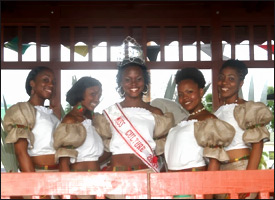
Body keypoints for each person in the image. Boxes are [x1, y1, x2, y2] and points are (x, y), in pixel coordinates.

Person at [93, 36, 174, 176]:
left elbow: (164, 150)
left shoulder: (156, 113)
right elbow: (106, 149)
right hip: (117, 174)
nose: (133, 84)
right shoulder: (110, 113)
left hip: (147, 172)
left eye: (138, 79)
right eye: (127, 79)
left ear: (145, 81)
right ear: (120, 82)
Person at [164, 67, 235, 199]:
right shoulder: (183, 122)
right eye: (180, 94)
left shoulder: (209, 120)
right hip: (175, 186)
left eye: (189, 92)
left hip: (193, 185)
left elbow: (214, 161)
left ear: (201, 92)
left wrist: (207, 195)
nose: (185, 98)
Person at [214, 59, 273, 199]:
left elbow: (258, 145)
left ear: (240, 83)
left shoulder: (248, 109)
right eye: (221, 77)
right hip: (220, 172)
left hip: (241, 169)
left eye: (231, 79)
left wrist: (248, 179)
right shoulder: (217, 113)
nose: (224, 82)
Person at [3, 66, 60, 199]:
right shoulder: (22, 111)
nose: (51, 84)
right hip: (37, 176)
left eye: (53, 82)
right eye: (45, 80)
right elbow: (21, 151)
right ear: (32, 84)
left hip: (56, 178)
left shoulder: (52, 115)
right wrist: (36, 187)